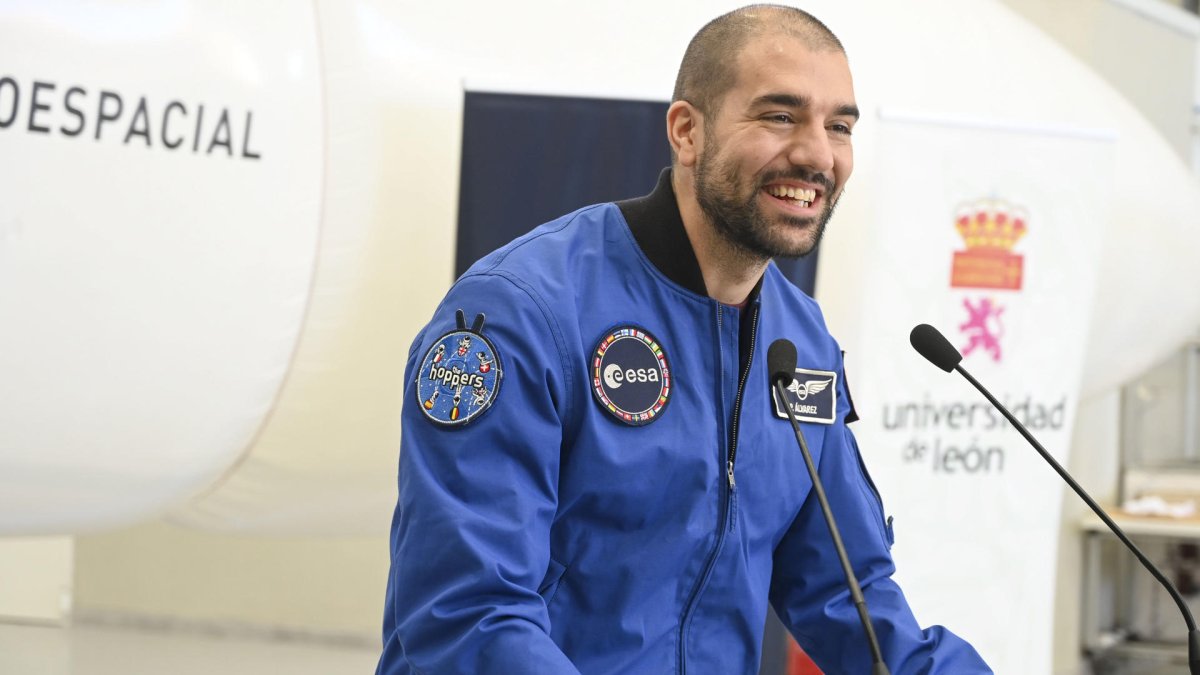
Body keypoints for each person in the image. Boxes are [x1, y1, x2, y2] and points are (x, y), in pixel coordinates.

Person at [378, 5, 991, 674]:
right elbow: (469, 616)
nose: (818, 153)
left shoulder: (801, 341)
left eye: (839, 126)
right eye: (780, 116)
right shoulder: (522, 312)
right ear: (686, 131)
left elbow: (846, 594)